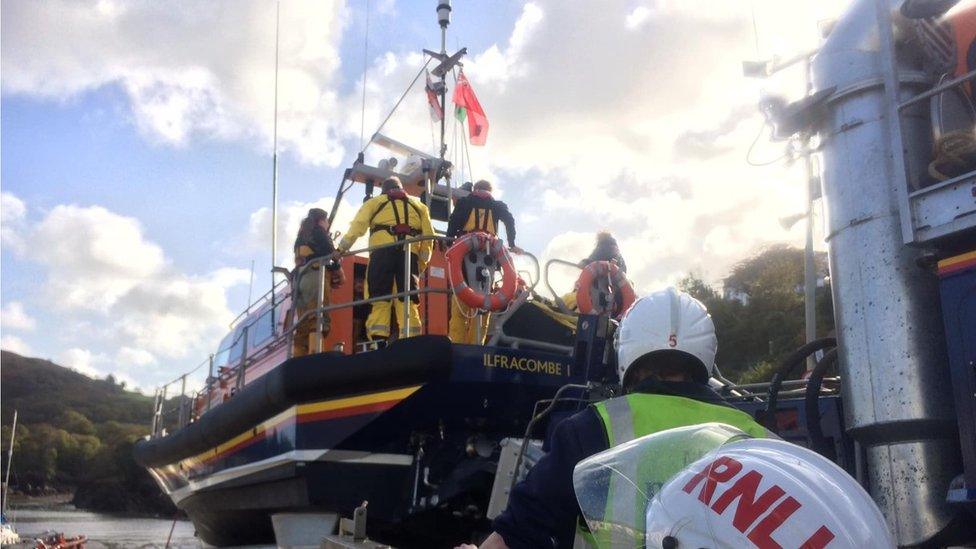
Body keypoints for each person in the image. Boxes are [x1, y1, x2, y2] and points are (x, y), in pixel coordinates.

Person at [456, 288, 768, 549]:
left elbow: (519, 532)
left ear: (626, 355)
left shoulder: (591, 428)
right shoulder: (759, 440)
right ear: (706, 354)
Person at [334, 177, 434, 343]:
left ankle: (378, 343)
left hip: (381, 255)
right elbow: (429, 238)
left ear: (384, 190)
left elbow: (357, 226)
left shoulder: (374, 203)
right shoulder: (420, 207)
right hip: (409, 256)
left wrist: (340, 250)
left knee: (380, 299)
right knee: (407, 300)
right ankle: (411, 343)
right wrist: (420, 264)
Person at [446, 179, 522, 344]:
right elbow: (509, 220)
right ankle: (477, 345)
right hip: (489, 257)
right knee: (484, 302)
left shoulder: (465, 202)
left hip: (465, 255)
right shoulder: (498, 205)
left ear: (475, 189)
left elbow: (454, 221)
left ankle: (457, 344)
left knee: (461, 301)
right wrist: (512, 243)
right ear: (490, 190)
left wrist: (448, 242)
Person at [292, 208, 341, 357]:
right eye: (326, 221)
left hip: (299, 279)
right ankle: (315, 354)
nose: (327, 224)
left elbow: (311, 255)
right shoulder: (320, 232)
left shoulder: (301, 236)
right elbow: (331, 253)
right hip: (315, 276)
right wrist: (339, 270)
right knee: (318, 319)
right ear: (321, 220)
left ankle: (298, 359)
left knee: (302, 324)